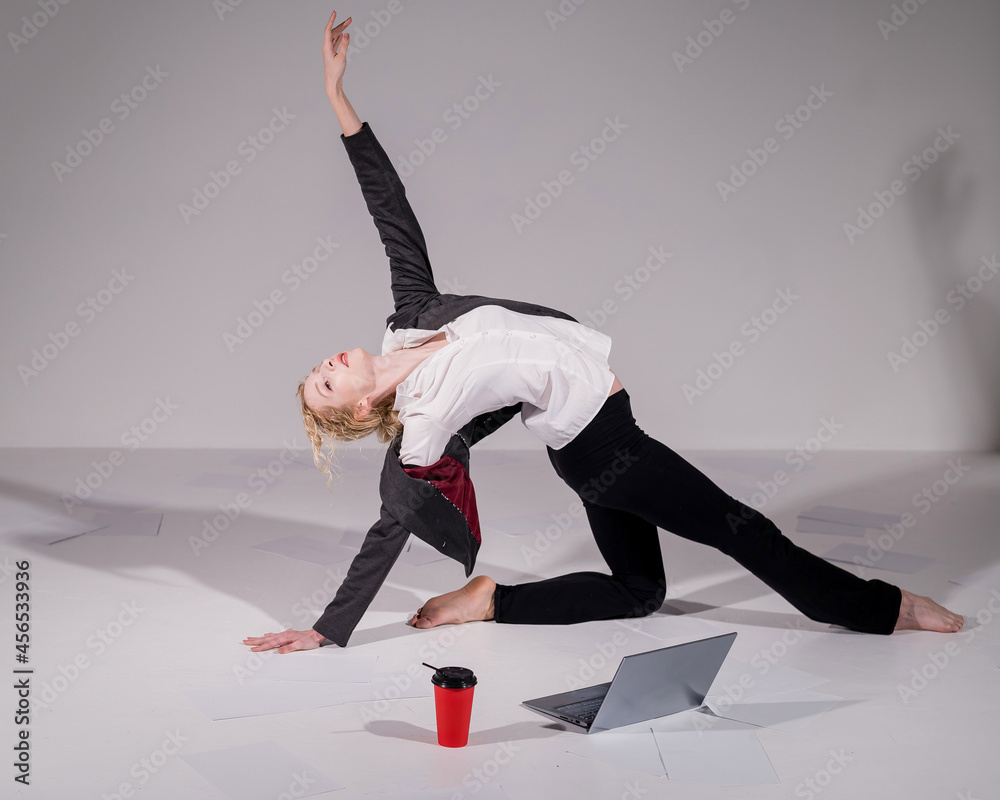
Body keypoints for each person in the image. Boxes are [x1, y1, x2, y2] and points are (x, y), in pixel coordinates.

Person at [243, 11, 964, 656]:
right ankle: (883, 608)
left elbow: (391, 213)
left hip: (594, 440)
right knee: (741, 528)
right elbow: (390, 524)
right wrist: (330, 626)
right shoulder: (424, 427)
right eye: (330, 381)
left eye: (321, 365)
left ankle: (493, 603)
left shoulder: (411, 316)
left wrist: (339, 100)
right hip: (604, 449)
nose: (332, 361)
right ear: (362, 410)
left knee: (640, 591)